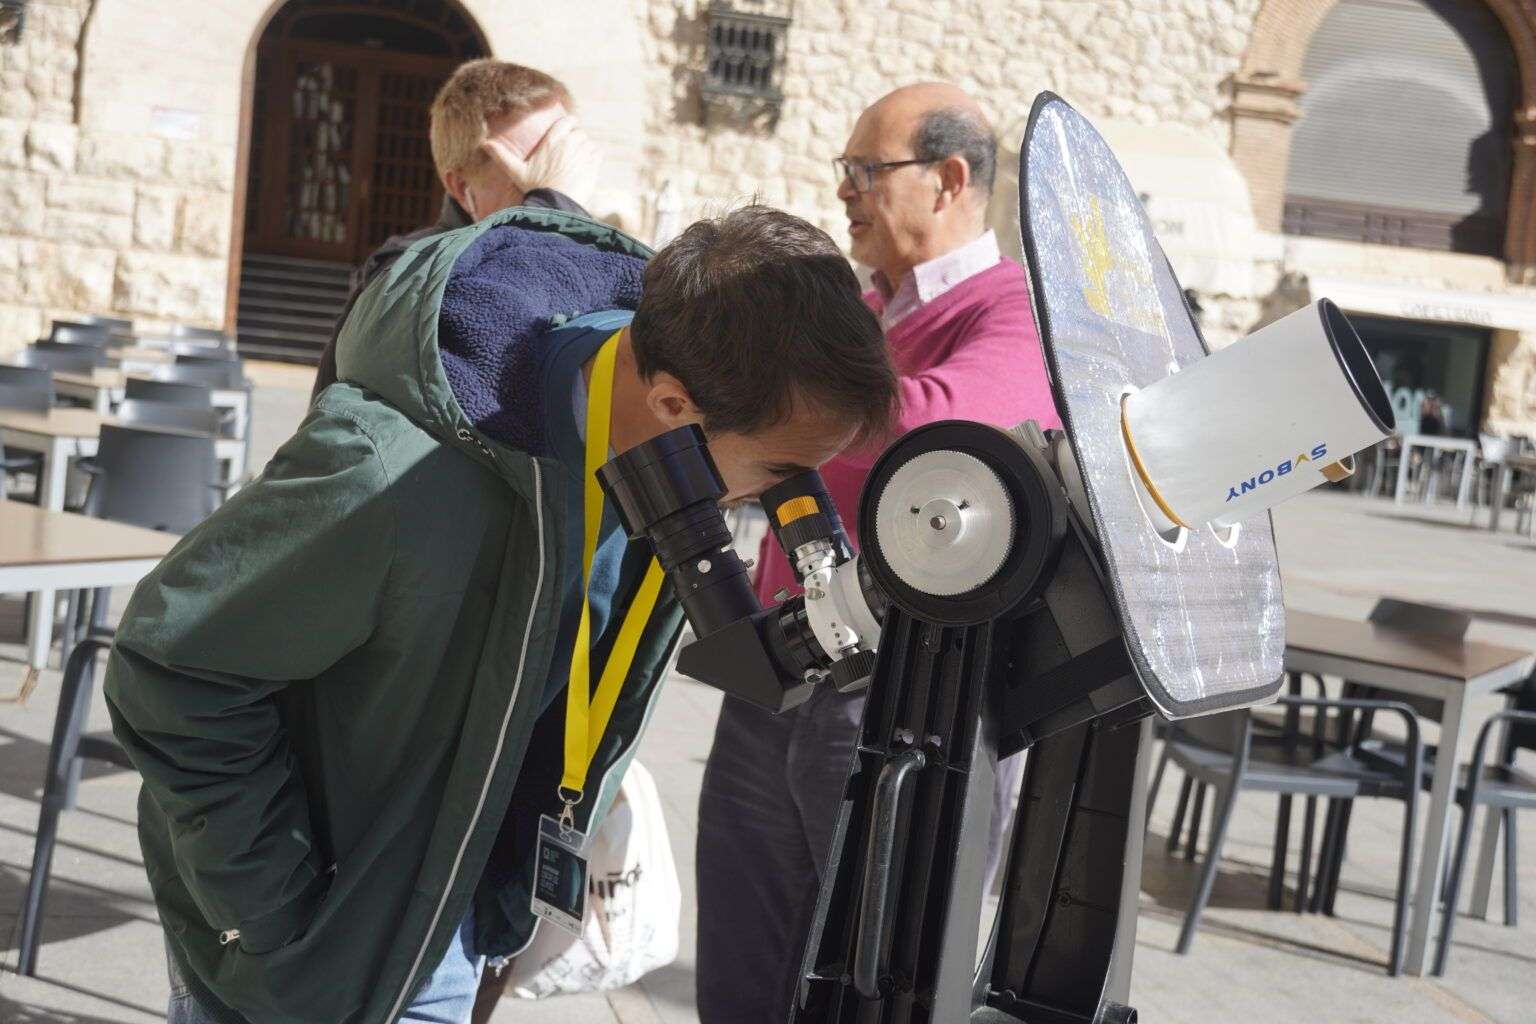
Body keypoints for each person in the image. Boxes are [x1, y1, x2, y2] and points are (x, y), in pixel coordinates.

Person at [104, 203, 898, 1024]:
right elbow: (171, 666)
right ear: (672, 403)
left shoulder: (661, 436)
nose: (783, 503)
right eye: (778, 473)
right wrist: (278, 918)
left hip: (458, 914)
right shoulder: (394, 475)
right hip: (328, 942)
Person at [694, 82, 1062, 1024]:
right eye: (845, 169)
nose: (845, 189)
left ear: (949, 179)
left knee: (878, 986)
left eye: (866, 169)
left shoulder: (1020, 310)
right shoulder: (861, 309)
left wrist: (767, 385)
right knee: (740, 979)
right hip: (780, 666)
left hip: (904, 699)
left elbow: (935, 430)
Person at [310, 58, 600, 401]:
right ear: (463, 188)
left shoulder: (600, 258)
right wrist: (555, 210)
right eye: (535, 172)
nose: (564, 179)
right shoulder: (408, 274)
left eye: (563, 156)